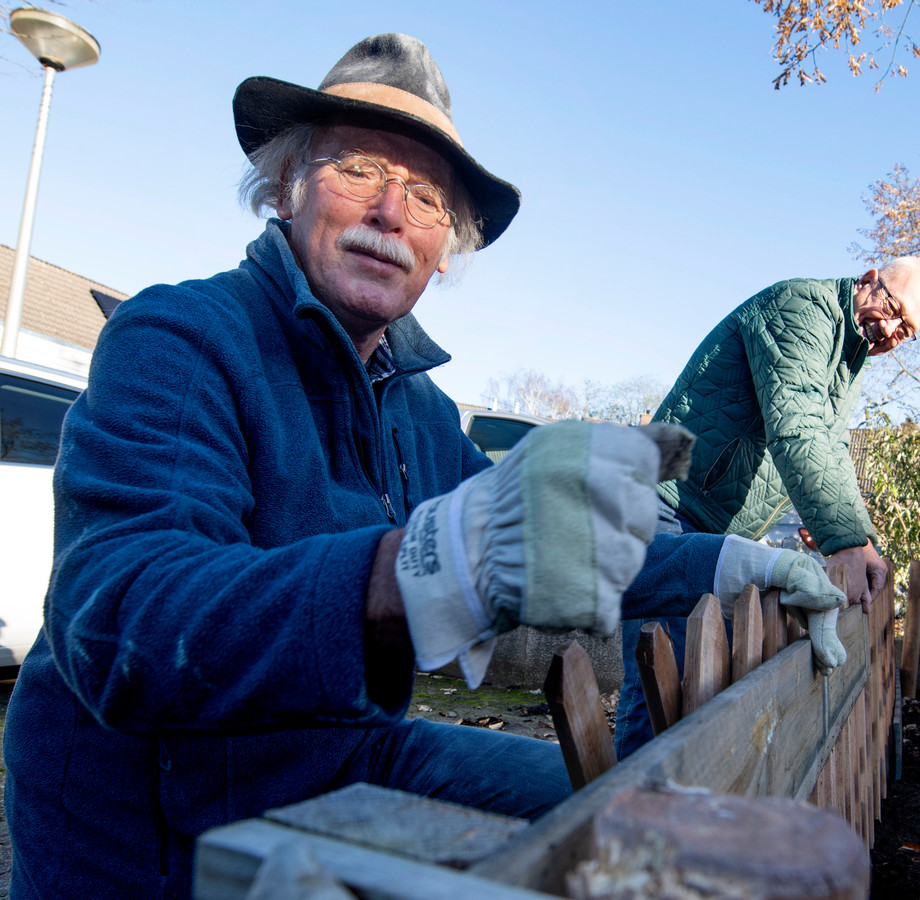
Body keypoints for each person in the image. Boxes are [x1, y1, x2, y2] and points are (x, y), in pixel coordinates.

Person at [1, 34, 846, 898]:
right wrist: (409, 570)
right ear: (287, 185)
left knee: (656, 840)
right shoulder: (181, 340)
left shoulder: (413, 406)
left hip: (348, 751)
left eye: (428, 197)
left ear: (447, 250)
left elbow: (547, 539)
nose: (392, 213)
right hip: (156, 824)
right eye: (360, 168)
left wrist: (735, 562)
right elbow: (124, 627)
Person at [615, 259, 920, 757]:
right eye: (893, 308)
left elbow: (831, 447)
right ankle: (628, 818)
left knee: (699, 680)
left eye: (907, 330)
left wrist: (862, 541)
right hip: (664, 502)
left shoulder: (848, 355)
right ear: (870, 279)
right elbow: (800, 429)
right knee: (662, 678)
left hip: (709, 522)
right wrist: (844, 542)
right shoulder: (800, 309)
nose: (892, 328)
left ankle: (669, 808)